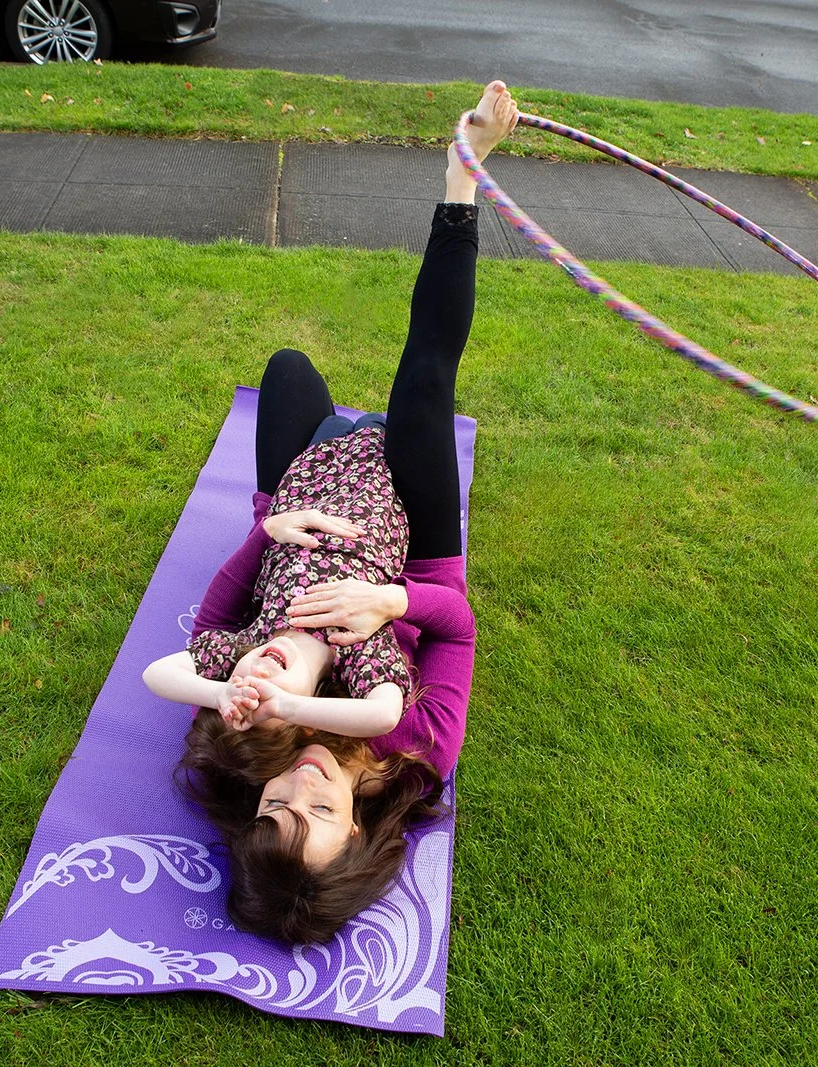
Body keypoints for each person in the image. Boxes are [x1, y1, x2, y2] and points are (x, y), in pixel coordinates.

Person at [142, 81, 520, 943]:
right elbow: (456, 630)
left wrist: (267, 529)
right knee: (423, 389)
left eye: (277, 805)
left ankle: (343, 438)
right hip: (409, 552)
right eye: (318, 808)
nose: (303, 779)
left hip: (303, 514)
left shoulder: (245, 737)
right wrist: (390, 602)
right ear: (357, 833)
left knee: (286, 371)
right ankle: (463, 167)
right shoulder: (416, 747)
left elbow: (211, 621)